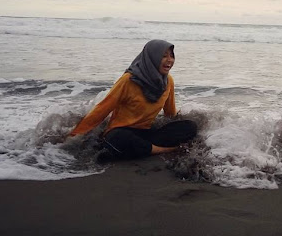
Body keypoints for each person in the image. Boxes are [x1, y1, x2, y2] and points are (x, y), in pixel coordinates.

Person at [67, 39, 197, 160]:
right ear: (152, 58)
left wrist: (178, 128)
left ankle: (145, 149)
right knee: (117, 139)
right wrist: (74, 136)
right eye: (164, 56)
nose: (170, 60)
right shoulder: (128, 80)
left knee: (190, 127)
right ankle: (166, 150)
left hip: (146, 133)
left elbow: (170, 114)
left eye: (171, 55)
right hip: (121, 132)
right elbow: (102, 109)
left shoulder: (168, 81)